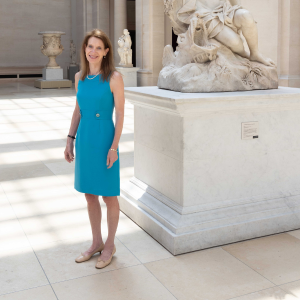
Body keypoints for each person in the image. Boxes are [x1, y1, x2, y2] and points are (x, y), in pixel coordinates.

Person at [64, 29, 125, 269]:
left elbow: (120, 113)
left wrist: (114, 147)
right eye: (90, 46)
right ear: (85, 49)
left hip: (105, 138)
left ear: (106, 52)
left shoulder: (114, 77)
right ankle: (96, 242)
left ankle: (110, 245)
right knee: (90, 195)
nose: (93, 51)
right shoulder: (79, 77)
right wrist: (70, 139)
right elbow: (77, 111)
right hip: (85, 138)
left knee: (109, 195)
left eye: (99, 47)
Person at [177, 0, 275, 66]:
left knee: (246, 16)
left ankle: (255, 53)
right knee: (234, 42)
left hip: (226, 9)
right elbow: (185, 10)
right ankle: (245, 54)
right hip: (206, 15)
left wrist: (237, 8)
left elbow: (235, 2)